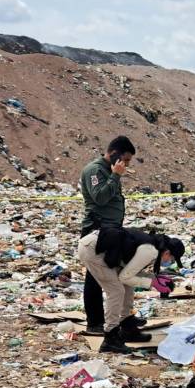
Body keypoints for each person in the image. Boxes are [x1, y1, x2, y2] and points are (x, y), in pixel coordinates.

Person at [77, 227, 185, 353]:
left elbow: (132, 272)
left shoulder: (155, 246)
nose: (169, 262)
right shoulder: (150, 251)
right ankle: (110, 338)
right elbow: (125, 276)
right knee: (116, 291)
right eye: (171, 259)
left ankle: (127, 326)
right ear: (167, 252)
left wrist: (154, 278)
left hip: (98, 247)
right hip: (92, 250)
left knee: (127, 285)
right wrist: (153, 283)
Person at [79, 136, 136, 335]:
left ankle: (122, 317)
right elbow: (100, 197)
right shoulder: (95, 170)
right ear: (114, 155)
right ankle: (94, 322)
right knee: (94, 277)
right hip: (96, 230)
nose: (126, 165)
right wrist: (115, 176)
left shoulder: (109, 170)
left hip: (110, 230)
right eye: (125, 160)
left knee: (112, 270)